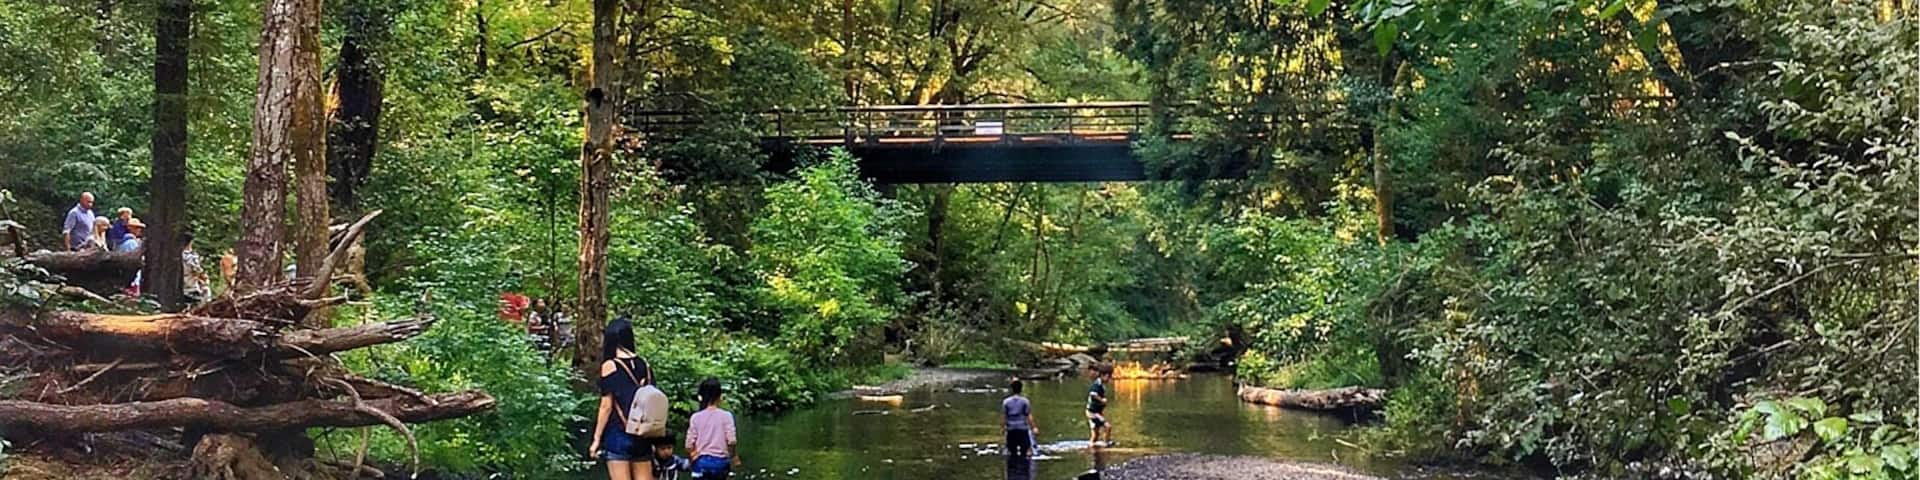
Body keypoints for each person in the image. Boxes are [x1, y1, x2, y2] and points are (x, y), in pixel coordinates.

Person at [591, 318, 656, 480]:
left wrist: (596, 438)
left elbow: (606, 406)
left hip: (618, 432)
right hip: (643, 433)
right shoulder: (644, 365)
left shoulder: (610, 366)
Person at [686, 378, 738, 480]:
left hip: (700, 463)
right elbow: (731, 441)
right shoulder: (726, 416)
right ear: (719, 396)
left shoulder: (696, 417)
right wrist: (734, 456)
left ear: (700, 397)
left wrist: (693, 454)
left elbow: (688, 445)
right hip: (721, 463)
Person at [1002, 378, 1038, 458]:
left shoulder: (1006, 402)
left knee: (1012, 452)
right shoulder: (1025, 401)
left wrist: (1003, 427)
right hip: (1022, 429)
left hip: (1011, 429)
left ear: (1012, 389)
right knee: (1024, 452)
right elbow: (1029, 416)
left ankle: (1012, 469)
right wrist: (1034, 427)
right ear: (1021, 389)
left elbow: (1005, 416)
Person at [1086, 366, 1111, 448]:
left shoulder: (1101, 384)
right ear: (1103, 375)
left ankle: (1092, 447)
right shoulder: (1097, 384)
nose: (1109, 379)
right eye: (1108, 376)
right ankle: (1106, 444)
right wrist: (1102, 400)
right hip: (1093, 412)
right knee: (1108, 427)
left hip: (1094, 412)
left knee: (1095, 434)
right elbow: (1093, 394)